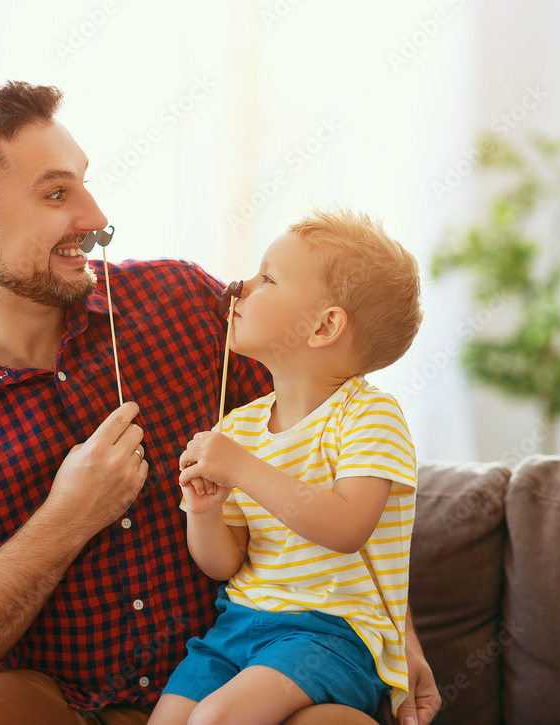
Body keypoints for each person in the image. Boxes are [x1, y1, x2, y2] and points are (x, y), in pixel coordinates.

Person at [0, 80, 440, 725]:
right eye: (57, 193)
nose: (94, 218)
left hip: (250, 671)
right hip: (54, 697)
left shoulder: (185, 307)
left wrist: (395, 634)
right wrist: (67, 518)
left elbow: (333, 451)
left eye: (85, 185)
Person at [148, 210, 423, 725]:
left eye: (267, 278)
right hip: (237, 625)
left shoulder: (370, 415)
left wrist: (243, 469)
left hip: (330, 633)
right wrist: (205, 512)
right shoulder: (240, 426)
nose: (238, 286)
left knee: (214, 720)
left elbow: (346, 527)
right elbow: (224, 565)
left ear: (323, 326)